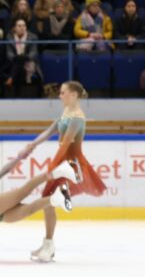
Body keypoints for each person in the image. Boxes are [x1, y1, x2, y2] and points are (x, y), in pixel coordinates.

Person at [21, 81, 107, 262]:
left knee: (49, 200)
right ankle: (47, 244)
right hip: (61, 162)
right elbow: (50, 131)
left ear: (74, 95)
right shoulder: (66, 113)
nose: (60, 96)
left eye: (63, 93)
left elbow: (66, 144)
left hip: (70, 165)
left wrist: (52, 168)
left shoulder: (77, 117)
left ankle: (49, 245)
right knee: (48, 201)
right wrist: (32, 145)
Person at [5, 18, 42, 98]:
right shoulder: (9, 37)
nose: (22, 28)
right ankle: (19, 94)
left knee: (20, 60)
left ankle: (11, 78)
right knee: (20, 67)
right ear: (14, 28)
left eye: (24, 26)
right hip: (13, 62)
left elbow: (34, 52)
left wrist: (23, 57)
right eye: (19, 26)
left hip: (29, 62)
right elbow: (9, 54)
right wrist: (18, 58)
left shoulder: (33, 37)